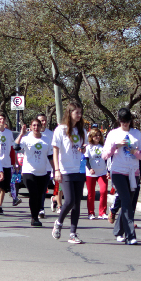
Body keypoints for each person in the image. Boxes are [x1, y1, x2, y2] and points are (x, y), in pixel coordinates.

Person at [103, 108, 141, 245]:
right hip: (118, 172)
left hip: (132, 172)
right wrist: (116, 146)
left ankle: (118, 231)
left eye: (127, 121)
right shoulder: (113, 134)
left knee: (128, 204)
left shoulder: (137, 134)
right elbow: (104, 155)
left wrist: (135, 152)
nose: (125, 124)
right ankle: (130, 235)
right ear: (119, 121)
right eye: (122, 122)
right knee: (126, 200)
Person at [51, 102, 89, 244]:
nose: (79, 115)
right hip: (65, 170)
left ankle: (73, 233)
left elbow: (83, 149)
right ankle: (59, 223)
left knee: (77, 203)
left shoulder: (82, 131)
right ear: (70, 113)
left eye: (80, 113)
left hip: (78, 169)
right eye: (76, 112)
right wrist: (57, 170)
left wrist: (83, 150)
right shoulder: (60, 130)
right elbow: (55, 150)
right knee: (69, 200)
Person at [15, 119, 53, 226]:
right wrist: (21, 134)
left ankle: (36, 215)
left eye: (38, 125)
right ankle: (34, 218)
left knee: (40, 195)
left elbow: (50, 156)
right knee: (33, 194)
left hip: (43, 172)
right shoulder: (26, 139)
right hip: (29, 171)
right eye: (34, 125)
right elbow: (16, 147)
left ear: (41, 127)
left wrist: (55, 170)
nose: (36, 127)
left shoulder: (46, 140)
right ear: (31, 127)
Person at [29, 113, 55, 219]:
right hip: (33, 168)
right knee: (34, 191)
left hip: (47, 167)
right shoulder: (29, 136)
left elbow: (53, 151)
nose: (43, 123)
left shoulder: (50, 134)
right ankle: (37, 208)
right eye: (40, 121)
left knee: (42, 190)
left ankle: (41, 208)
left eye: (44, 120)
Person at [84, 128, 108, 219]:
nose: (97, 137)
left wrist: (108, 169)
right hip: (91, 173)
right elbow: (86, 160)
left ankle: (102, 212)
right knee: (91, 193)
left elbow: (106, 158)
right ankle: (91, 213)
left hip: (102, 172)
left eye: (99, 135)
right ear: (91, 137)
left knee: (104, 190)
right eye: (95, 135)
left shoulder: (103, 146)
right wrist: (90, 169)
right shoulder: (88, 147)